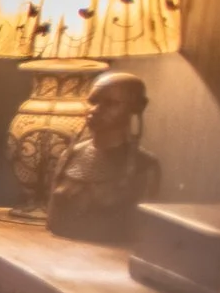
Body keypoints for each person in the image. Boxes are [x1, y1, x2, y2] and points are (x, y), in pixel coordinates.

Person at [48, 70, 159, 243]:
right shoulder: (70, 155)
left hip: (110, 260)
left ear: (137, 106)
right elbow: (52, 221)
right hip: (58, 251)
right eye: (93, 101)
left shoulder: (144, 166)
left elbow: (140, 235)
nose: (95, 110)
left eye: (111, 103)